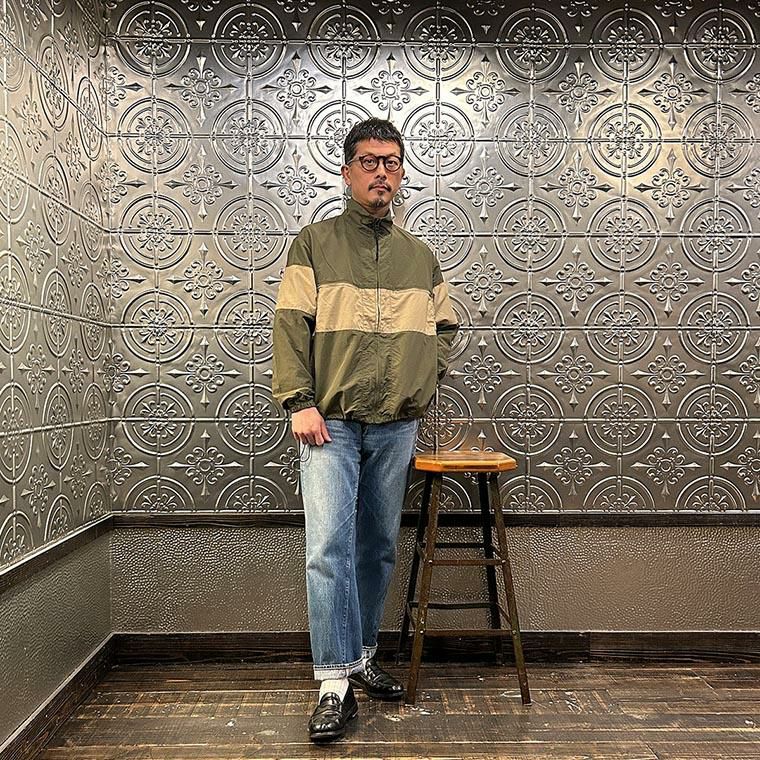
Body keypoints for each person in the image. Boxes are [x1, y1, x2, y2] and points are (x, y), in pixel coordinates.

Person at [272, 117, 458, 743]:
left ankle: (362, 656)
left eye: (392, 162)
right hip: (328, 421)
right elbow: (290, 326)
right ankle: (333, 683)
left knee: (377, 546)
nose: (382, 172)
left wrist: (419, 382)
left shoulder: (420, 257)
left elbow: (446, 329)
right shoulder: (314, 243)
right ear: (348, 170)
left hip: (395, 424)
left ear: (402, 173)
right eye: (370, 161)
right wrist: (298, 401)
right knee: (328, 548)